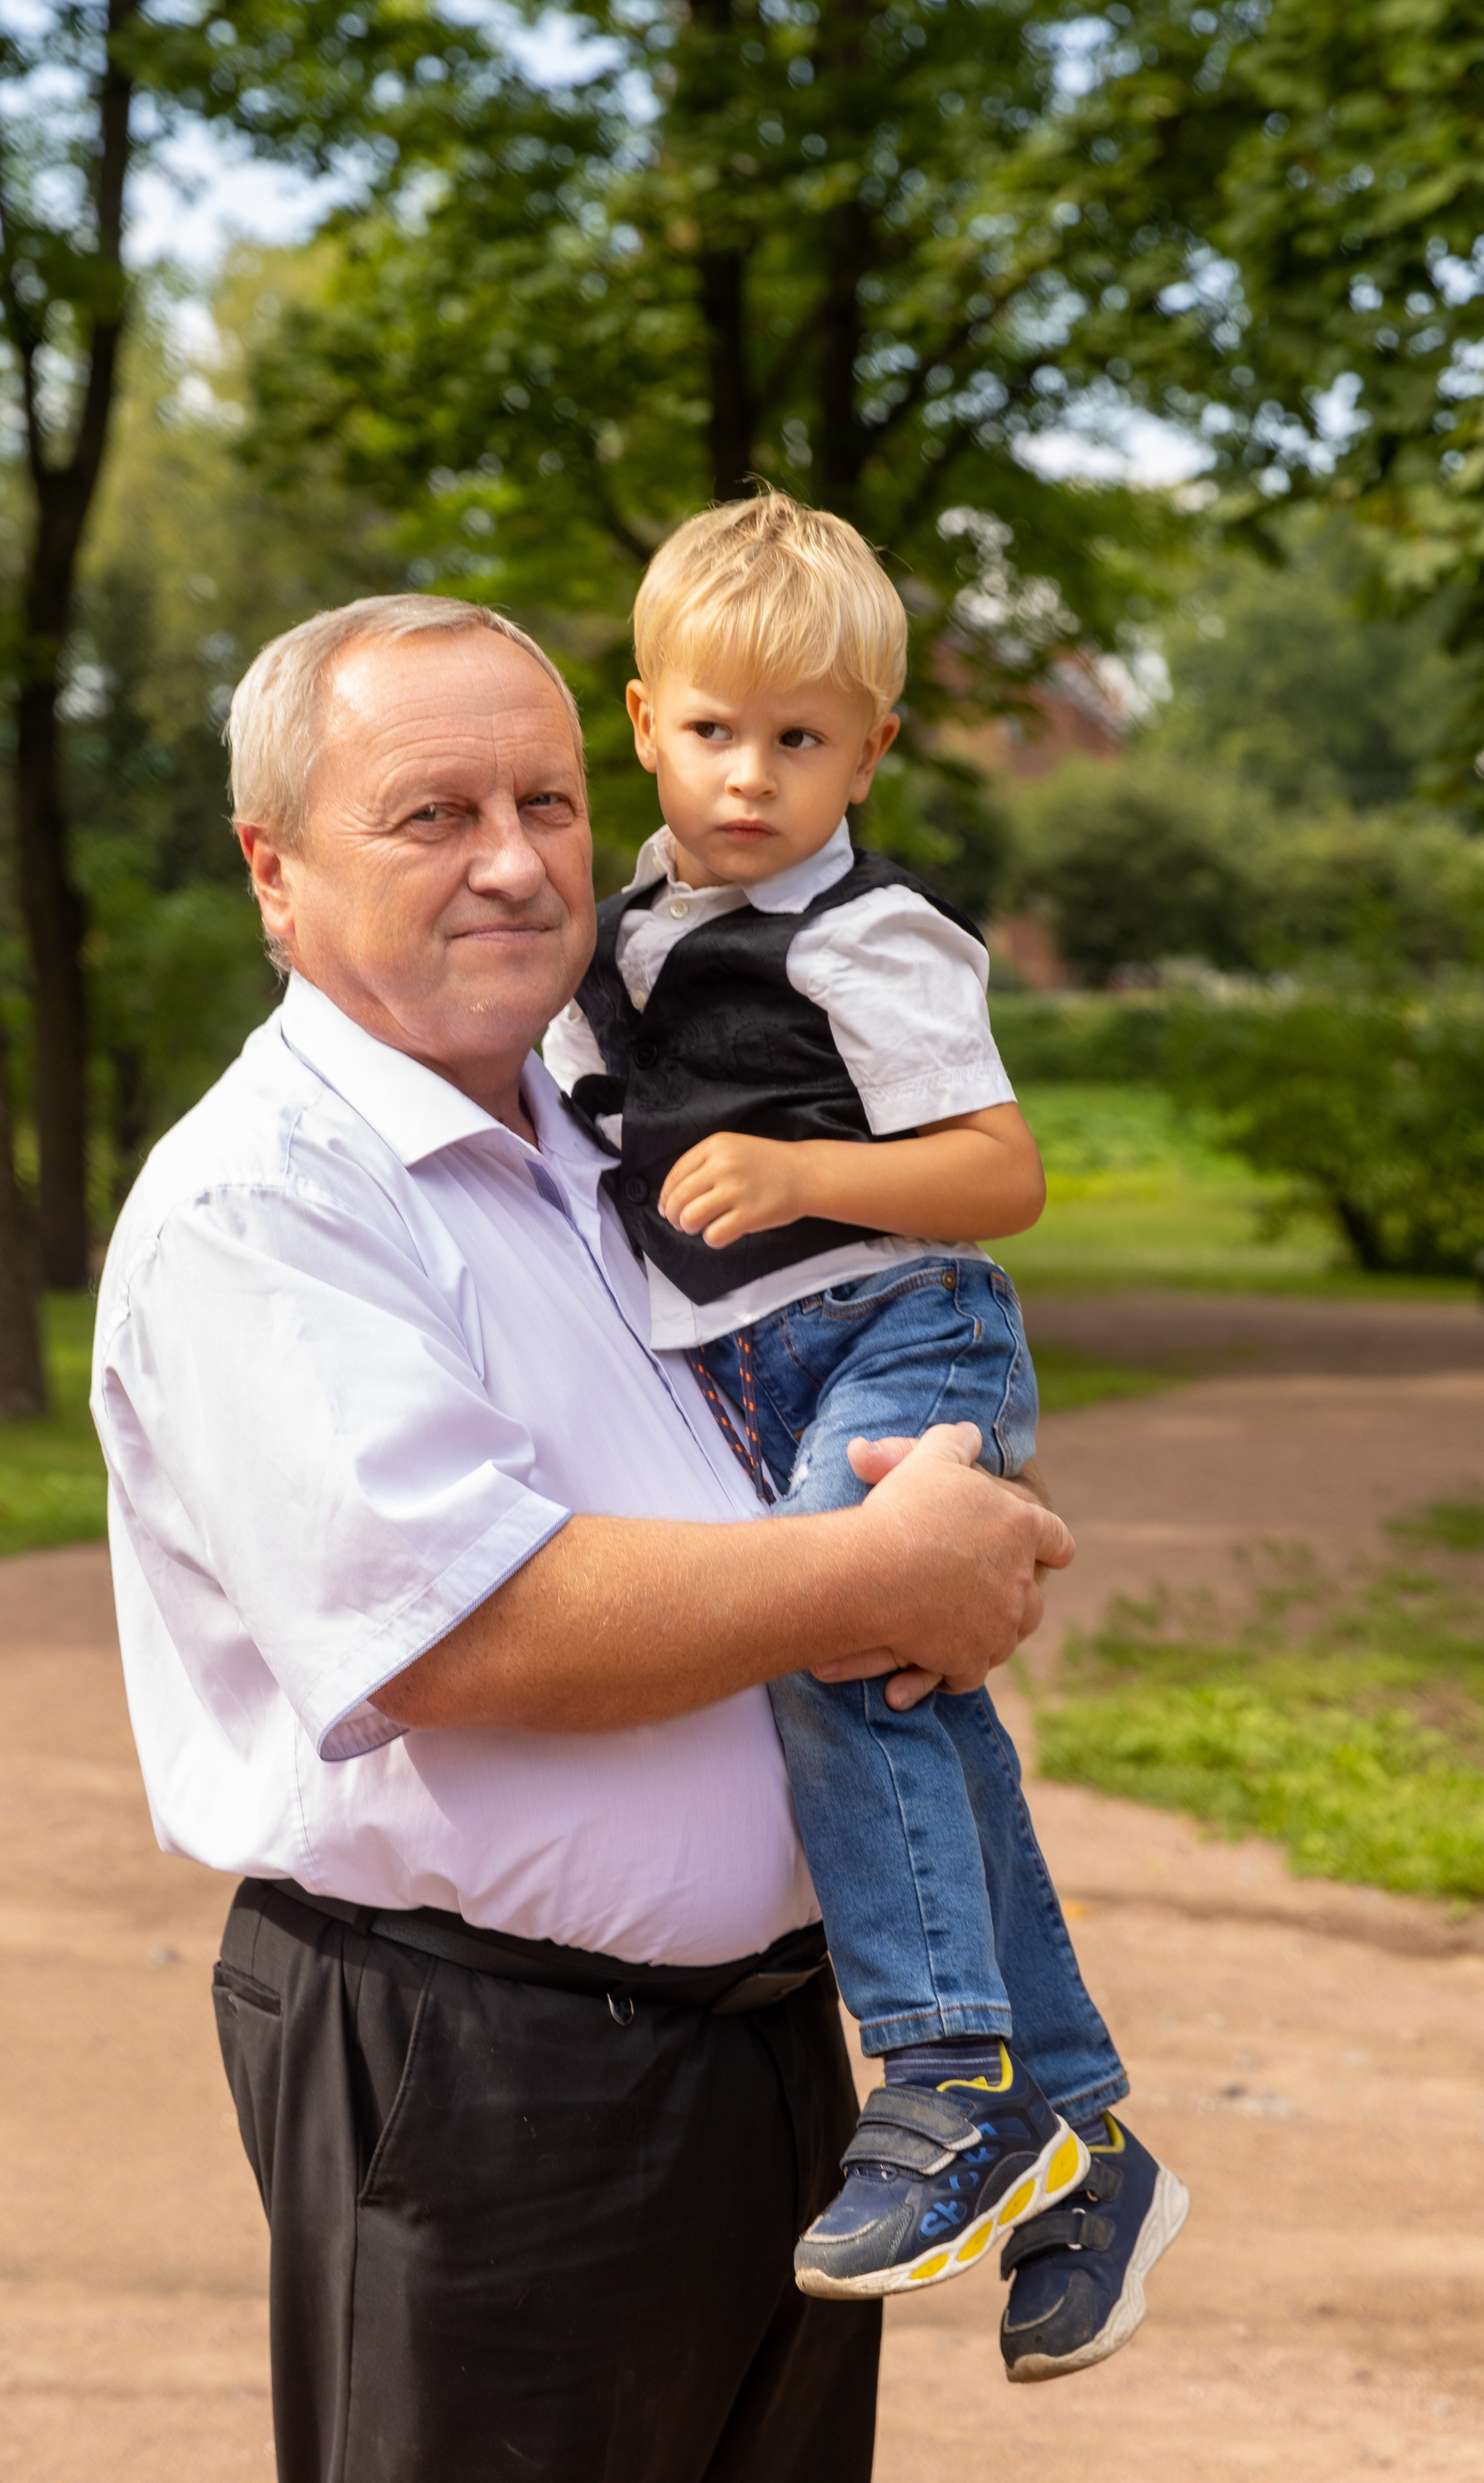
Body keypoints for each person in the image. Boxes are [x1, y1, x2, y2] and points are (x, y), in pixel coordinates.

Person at [91, 590, 1073, 2483]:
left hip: (764, 2061)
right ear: (271, 869)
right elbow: (460, 1633)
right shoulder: (266, 1201)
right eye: (433, 816)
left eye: (546, 805)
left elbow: (801, 1444)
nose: (518, 863)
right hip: (487, 2077)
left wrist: (941, 1503)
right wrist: (881, 1570)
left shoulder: (597, 1141)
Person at [544, 494, 1188, 2379]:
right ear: (646, 720)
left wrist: (806, 1166)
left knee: (847, 1644)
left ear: (875, 749)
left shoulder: (874, 931)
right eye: (718, 733)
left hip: (905, 1330)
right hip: (748, 1373)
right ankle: (1087, 2145)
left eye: (804, 740)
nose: (754, 779)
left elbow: (1003, 1174)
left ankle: (940, 2078)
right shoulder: (632, 932)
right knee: (907, 1690)